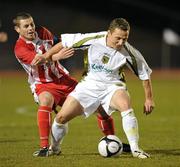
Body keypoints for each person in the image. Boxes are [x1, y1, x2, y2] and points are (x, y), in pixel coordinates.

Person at [13, 12, 130, 157]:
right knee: (46, 101)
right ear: (17, 29)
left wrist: (72, 43)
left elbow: (58, 41)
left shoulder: (43, 32)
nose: (31, 28)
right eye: (26, 26)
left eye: (32, 24)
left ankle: (113, 140)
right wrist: (57, 56)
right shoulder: (19, 48)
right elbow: (38, 61)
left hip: (64, 79)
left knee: (100, 108)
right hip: (43, 84)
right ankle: (45, 147)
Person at [48, 18, 155, 159]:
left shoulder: (129, 52)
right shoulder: (94, 39)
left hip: (113, 86)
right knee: (61, 117)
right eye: (118, 38)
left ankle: (135, 149)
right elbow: (65, 42)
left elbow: (144, 74)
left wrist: (149, 99)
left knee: (125, 105)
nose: (121, 42)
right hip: (88, 86)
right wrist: (46, 56)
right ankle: (54, 148)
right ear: (109, 33)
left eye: (125, 38)